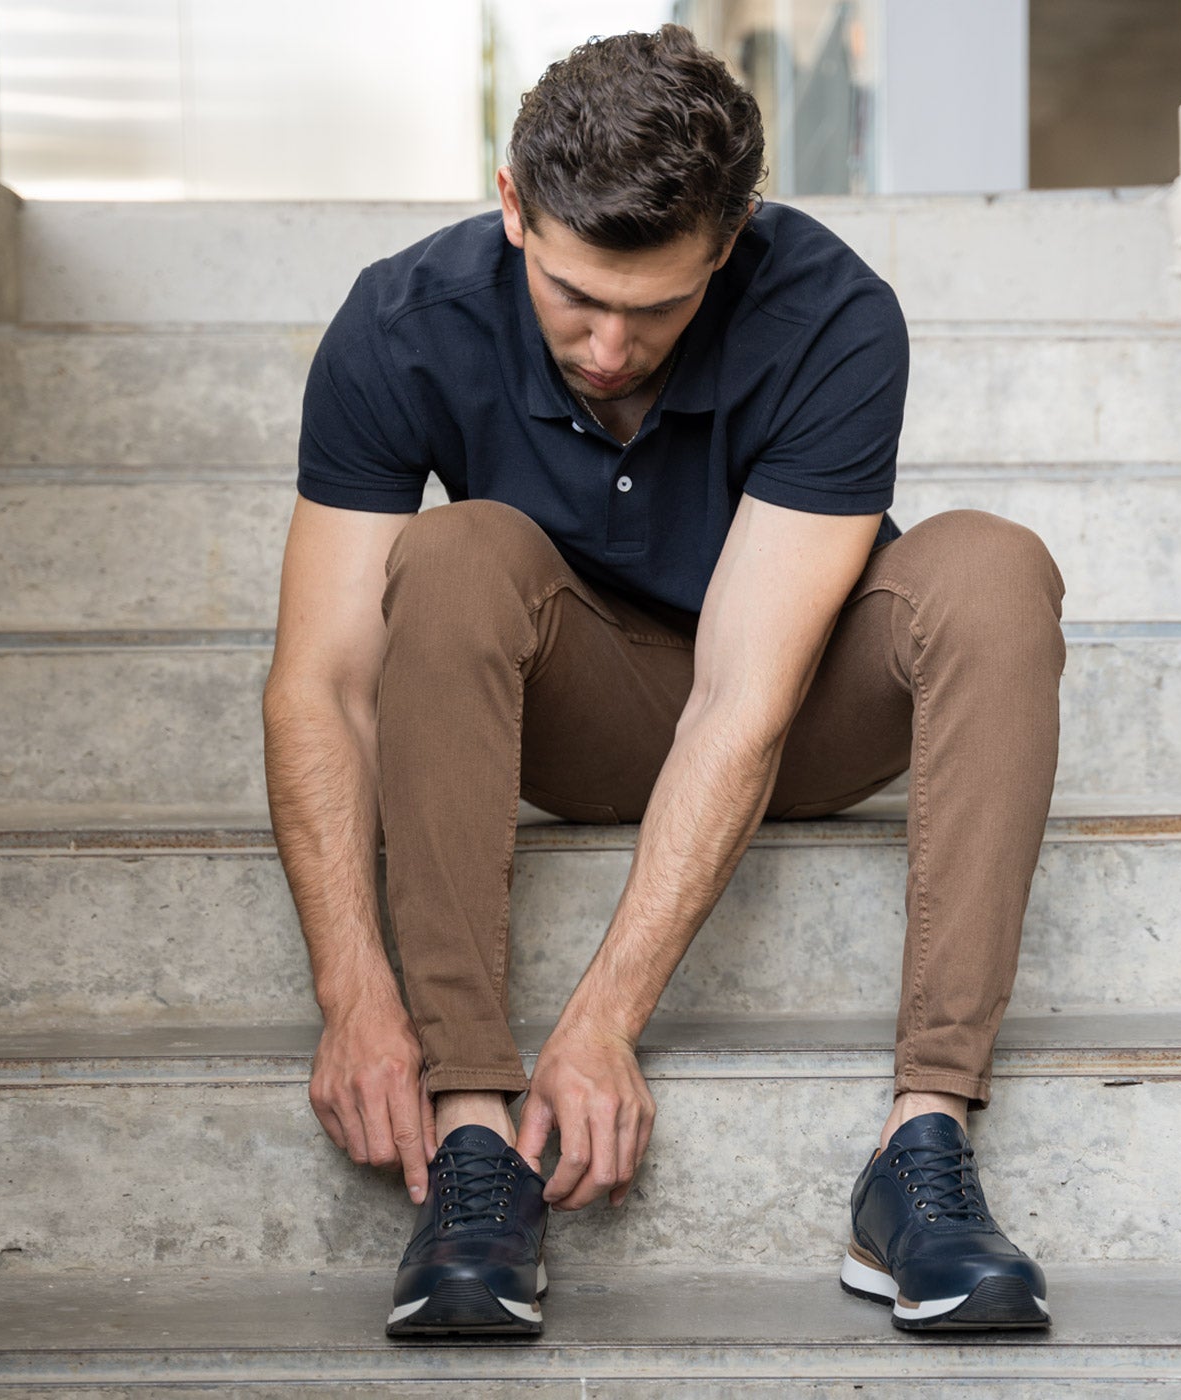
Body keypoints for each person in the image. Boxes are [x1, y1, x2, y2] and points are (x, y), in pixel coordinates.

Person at [262, 24, 1066, 1340]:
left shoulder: (832, 311)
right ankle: (475, 1142)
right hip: (563, 709)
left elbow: (745, 699)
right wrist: (355, 994)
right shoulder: (401, 324)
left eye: (657, 308)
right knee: (457, 549)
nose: (610, 348)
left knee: (992, 570)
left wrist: (604, 1021)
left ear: (738, 234)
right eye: (576, 298)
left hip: (790, 711)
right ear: (512, 205)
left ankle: (922, 1152)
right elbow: (321, 690)